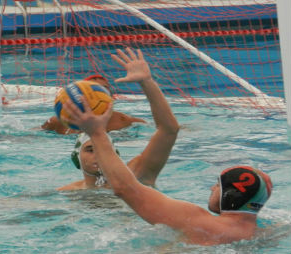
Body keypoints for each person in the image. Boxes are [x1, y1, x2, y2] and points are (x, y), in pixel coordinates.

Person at [61, 47, 273, 245]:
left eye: (217, 185)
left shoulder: (194, 219)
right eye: (89, 149)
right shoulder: (268, 232)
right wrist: (147, 81)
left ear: (231, 195)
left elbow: (125, 187)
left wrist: (97, 133)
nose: (211, 187)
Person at [58, 53, 180, 191]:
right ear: (76, 158)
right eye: (90, 149)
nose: (98, 155)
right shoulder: (67, 192)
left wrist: (147, 82)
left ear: (115, 155)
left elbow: (169, 130)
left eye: (104, 148)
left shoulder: (137, 175)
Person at [41, 74, 145, 135]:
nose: (99, 95)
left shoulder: (124, 121)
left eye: (103, 89)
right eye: (94, 89)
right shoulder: (58, 122)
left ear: (112, 97)